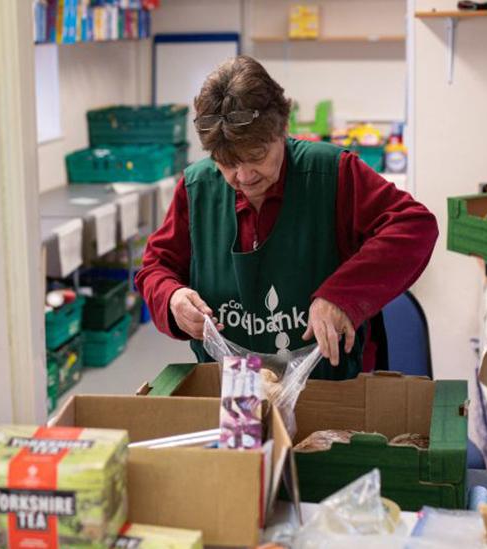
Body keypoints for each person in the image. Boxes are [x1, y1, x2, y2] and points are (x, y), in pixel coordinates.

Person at [135, 56, 439, 379]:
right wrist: (172, 298)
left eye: (257, 157)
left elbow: (415, 227)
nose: (244, 175)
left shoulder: (332, 175)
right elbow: (155, 268)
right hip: (234, 399)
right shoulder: (197, 189)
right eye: (227, 163)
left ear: (283, 128)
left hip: (331, 393)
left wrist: (342, 296)